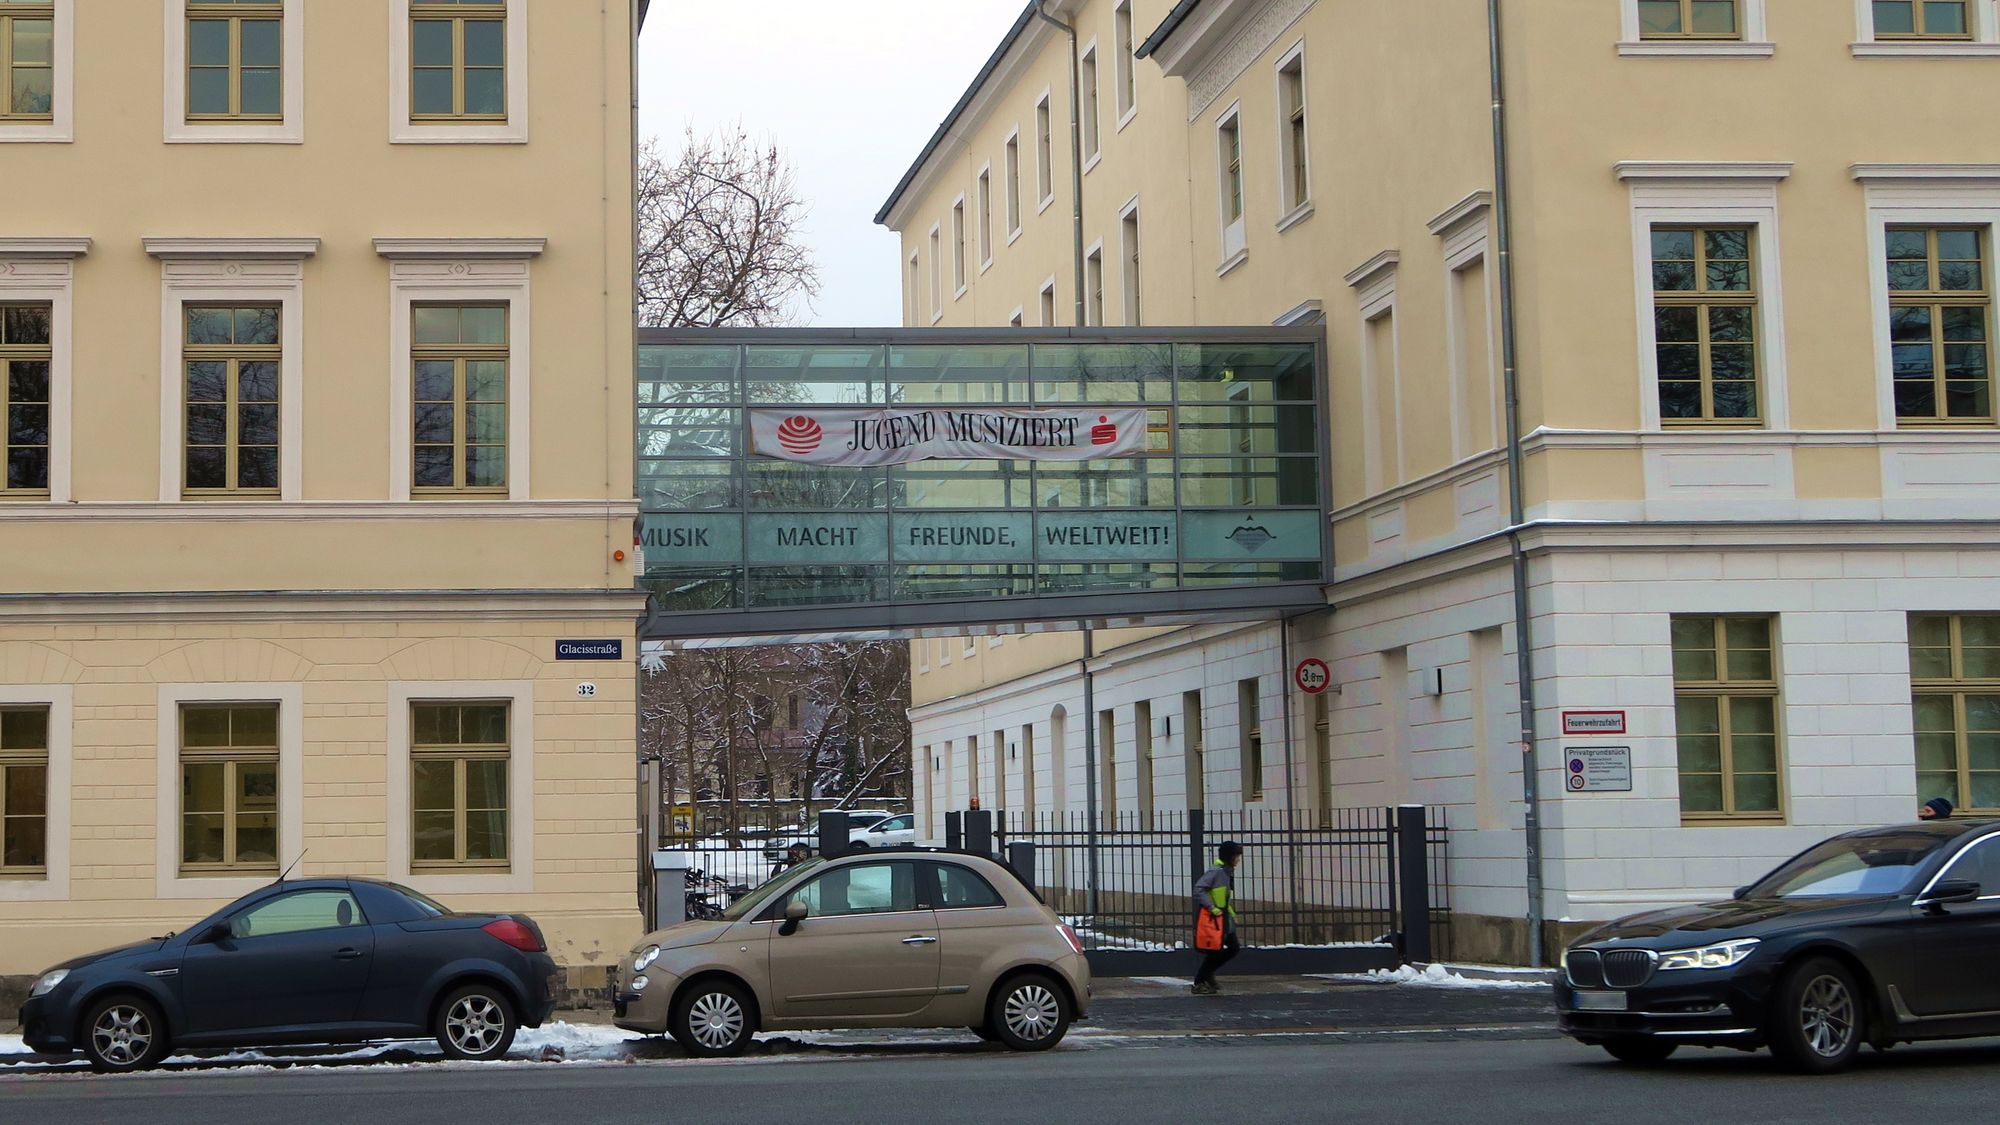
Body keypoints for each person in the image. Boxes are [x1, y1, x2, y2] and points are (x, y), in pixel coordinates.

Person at [1192, 841, 1244, 996]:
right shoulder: (1217, 872)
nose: (1238, 859)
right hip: (1216, 918)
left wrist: (1232, 915)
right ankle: (1200, 981)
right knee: (1218, 950)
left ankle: (1206, 976)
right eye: (1236, 856)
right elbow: (1198, 889)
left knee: (1229, 948)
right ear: (1229, 856)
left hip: (1223, 917)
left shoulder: (1226, 872)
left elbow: (1224, 898)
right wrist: (1212, 908)